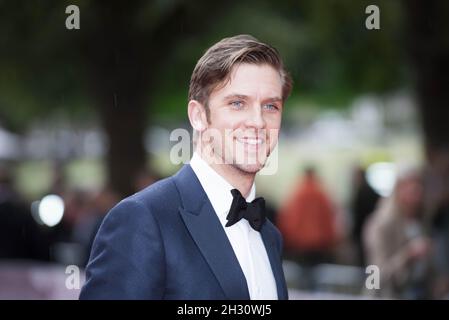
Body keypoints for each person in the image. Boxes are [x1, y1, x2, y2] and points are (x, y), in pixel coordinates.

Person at [80, 35, 293, 300]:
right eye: (237, 103)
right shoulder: (143, 219)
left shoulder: (270, 236)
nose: (258, 121)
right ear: (198, 116)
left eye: (270, 106)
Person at [363, 166, 433, 299]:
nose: (417, 192)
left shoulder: (422, 220)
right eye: (411, 187)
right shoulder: (381, 224)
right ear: (398, 189)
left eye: (419, 186)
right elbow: (375, 276)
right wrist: (408, 255)